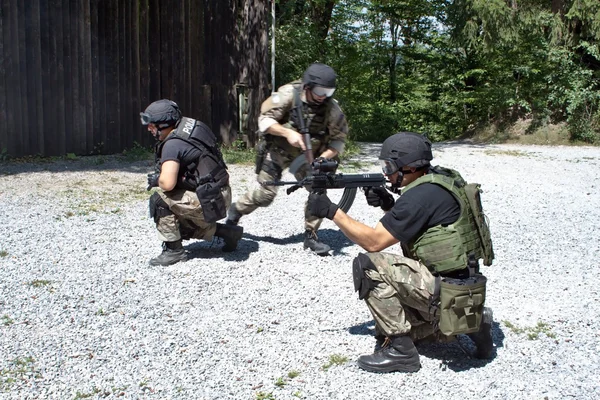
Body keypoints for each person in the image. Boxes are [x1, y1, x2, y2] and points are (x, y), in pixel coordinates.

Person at [306, 132, 495, 373]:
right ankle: (474, 323)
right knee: (401, 329)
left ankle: (401, 352)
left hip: (442, 289)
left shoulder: (418, 197)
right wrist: (388, 204)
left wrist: (332, 211)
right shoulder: (441, 180)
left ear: (408, 167)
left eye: (389, 166)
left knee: (369, 266)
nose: (386, 173)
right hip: (462, 285)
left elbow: (374, 242)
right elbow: (423, 221)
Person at [225, 63, 348, 255]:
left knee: (318, 192)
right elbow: (263, 120)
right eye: (319, 90)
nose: (323, 95)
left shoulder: (331, 108)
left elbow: (339, 140)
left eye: (328, 91)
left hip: (309, 157)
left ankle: (311, 235)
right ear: (308, 86)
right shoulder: (287, 94)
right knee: (266, 195)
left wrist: (323, 159)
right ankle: (236, 211)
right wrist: (286, 133)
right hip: (278, 151)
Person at [140, 99, 243, 266]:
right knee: (181, 220)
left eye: (152, 125)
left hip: (210, 198)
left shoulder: (172, 144)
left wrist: (157, 180)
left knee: (159, 200)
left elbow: (167, 183)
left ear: (165, 123)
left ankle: (174, 251)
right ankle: (229, 233)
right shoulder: (192, 126)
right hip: (219, 193)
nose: (149, 129)